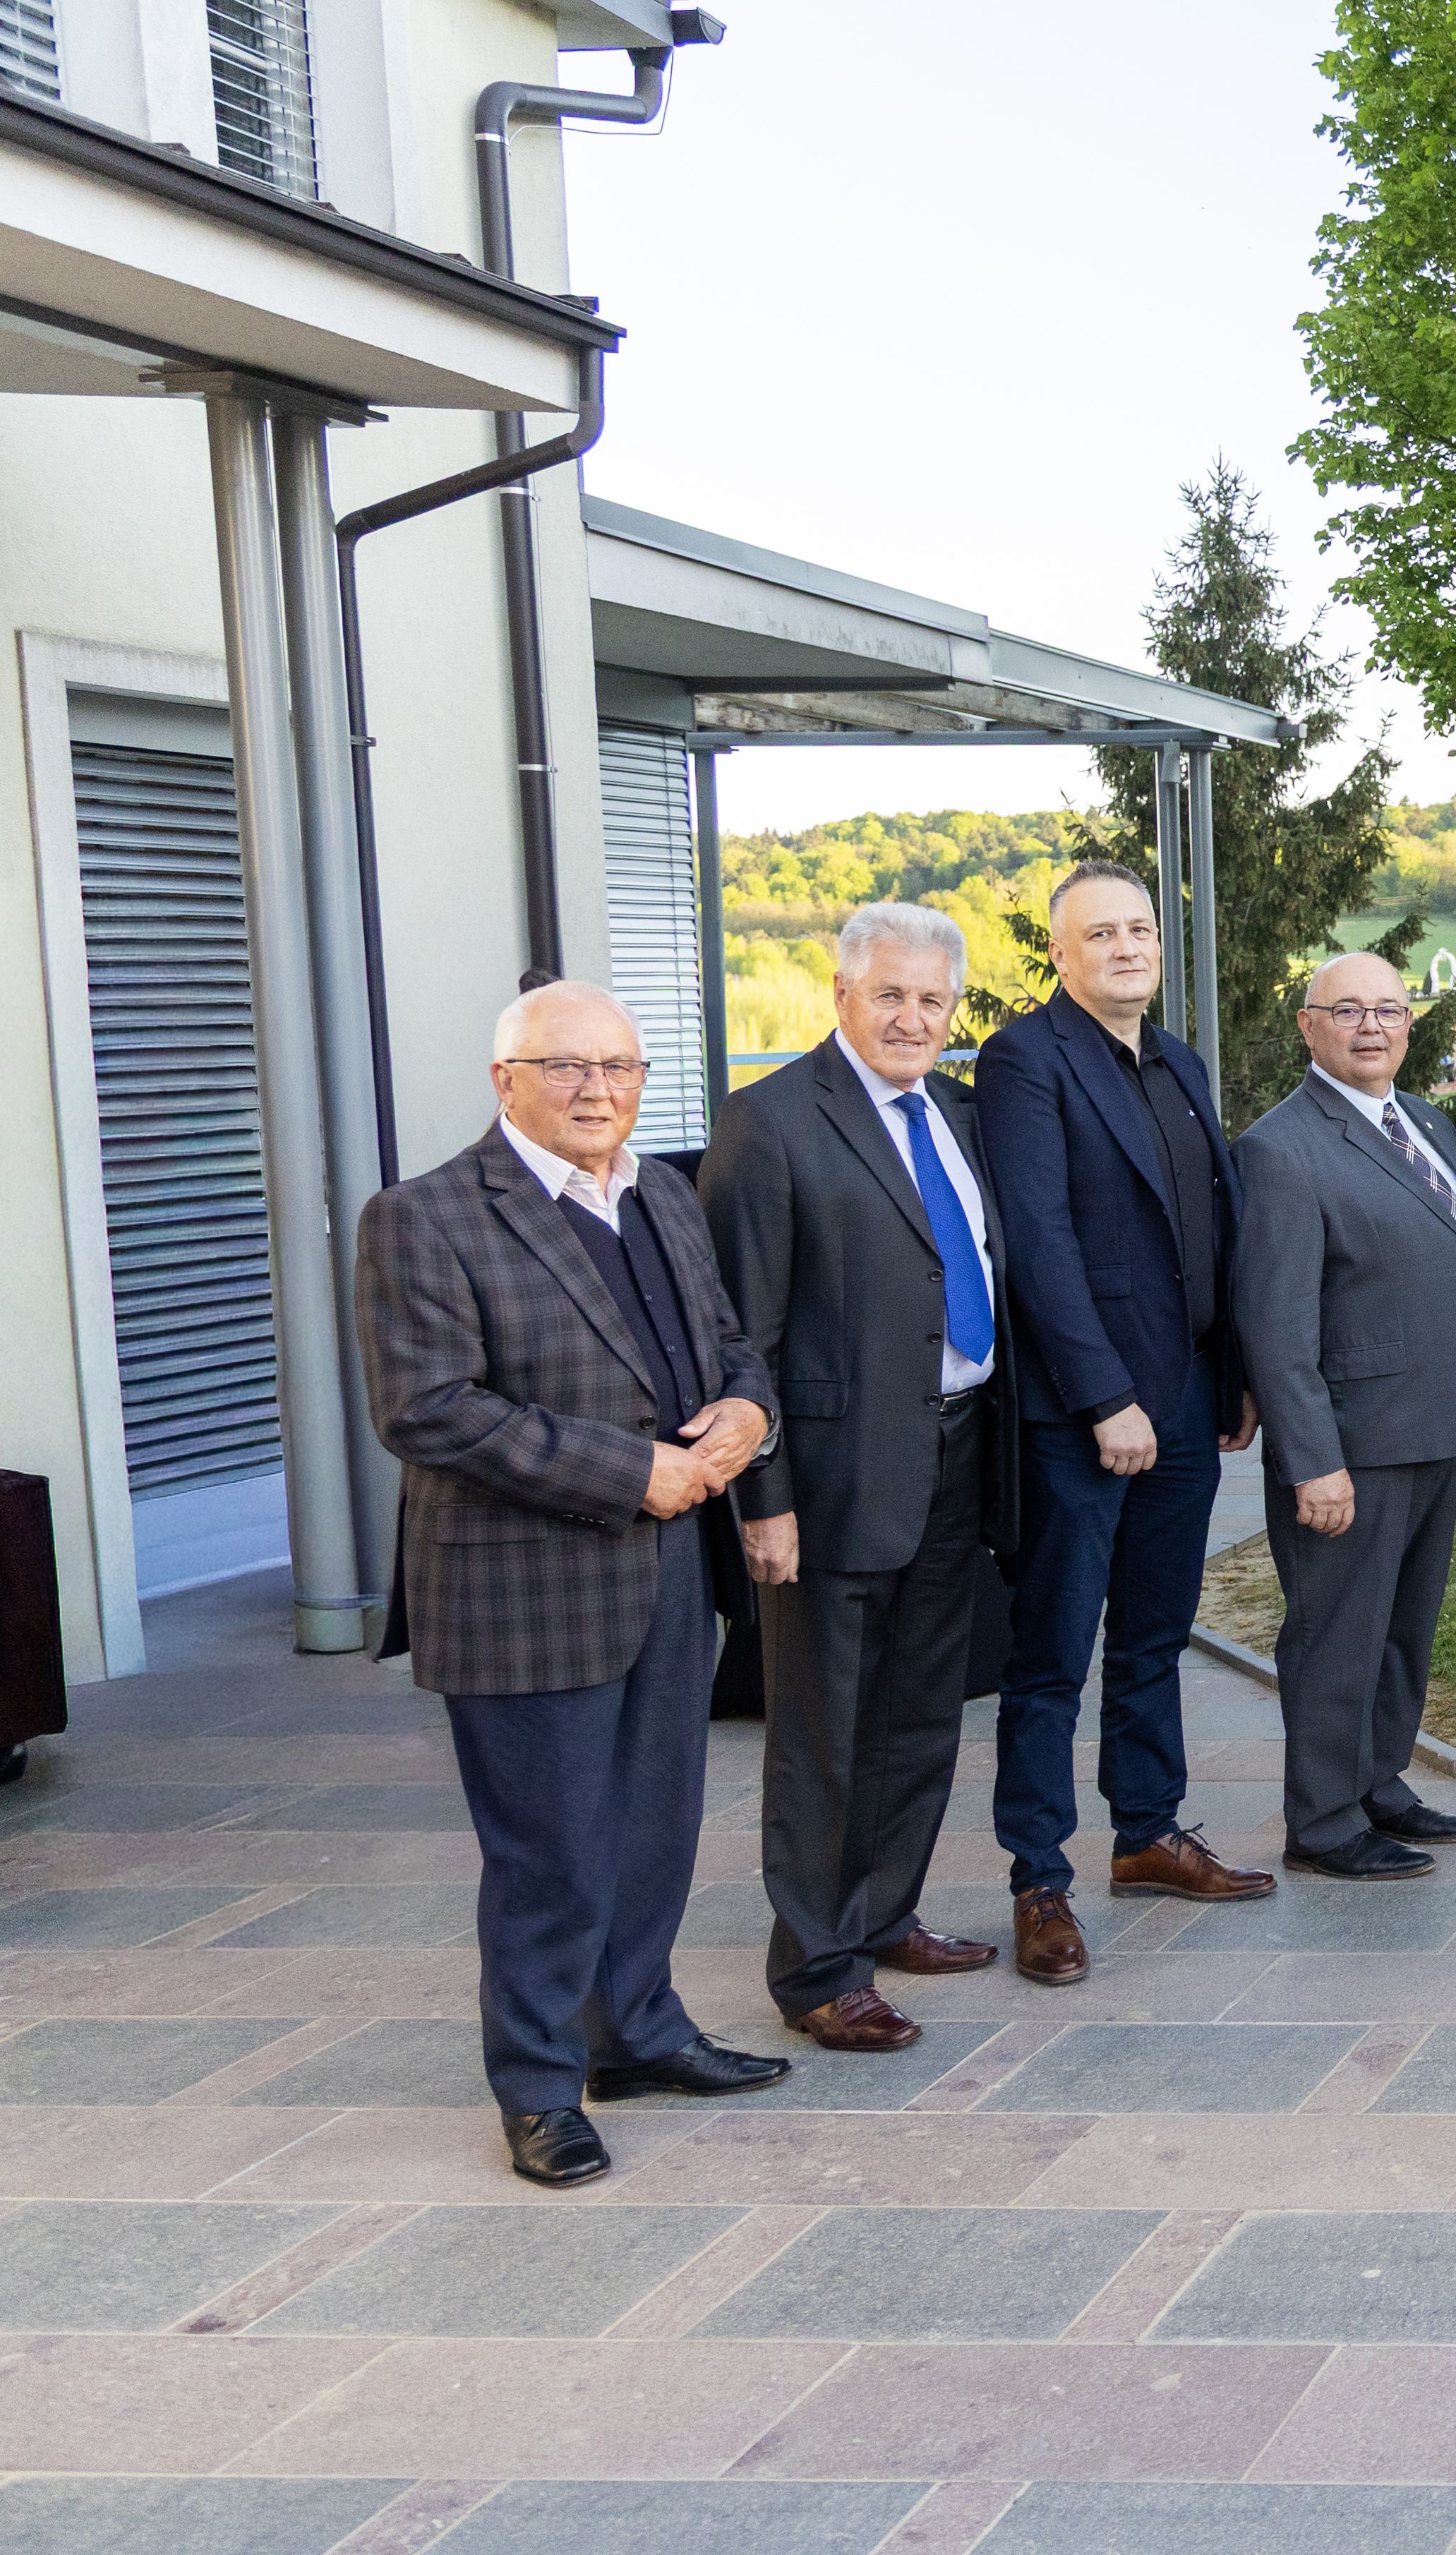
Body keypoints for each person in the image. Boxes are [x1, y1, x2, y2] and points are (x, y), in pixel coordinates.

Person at [354, 982, 788, 2186]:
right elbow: (426, 1409)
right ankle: (541, 2090)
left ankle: (637, 2034)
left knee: (655, 1828)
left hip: (666, 1570)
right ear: (507, 1081)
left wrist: (748, 1412)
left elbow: (726, 1341)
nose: (598, 1090)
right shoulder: (425, 1216)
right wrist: (632, 1471)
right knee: (549, 1855)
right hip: (523, 1589)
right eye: (567, 1067)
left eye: (620, 1067)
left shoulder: (662, 1194)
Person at [697, 903, 1012, 2055]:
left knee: (921, 1711)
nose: (912, 1018)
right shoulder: (770, 1121)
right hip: (830, 1477)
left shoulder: (957, 1115)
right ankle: (817, 1970)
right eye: (890, 995)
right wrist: (764, 1496)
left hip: (957, 1452)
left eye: (933, 999)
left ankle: (884, 1915)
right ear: (840, 996)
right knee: (823, 1732)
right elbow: (742, 1338)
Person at [973, 861, 1270, 1980]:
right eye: (1100, 933)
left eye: (1140, 928)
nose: (1126, 947)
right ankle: (1037, 1880)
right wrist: (1105, 1397)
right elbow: (1039, 1242)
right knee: (1053, 1654)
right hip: (1083, 1411)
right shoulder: (1025, 1060)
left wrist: (1232, 1375)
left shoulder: (1177, 1060)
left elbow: (1213, 1232)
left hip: (1187, 1397)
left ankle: (1146, 1833)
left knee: (1155, 1634)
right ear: (1061, 953)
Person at [1230, 955, 1456, 1880]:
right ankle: (1322, 1822)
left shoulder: (1426, 1122)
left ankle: (1379, 1782)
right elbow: (1276, 1327)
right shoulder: (1281, 1149)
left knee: (1402, 1627)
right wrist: (1312, 1460)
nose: (1371, 1027)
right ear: (1308, 1025)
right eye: (1348, 1010)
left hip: (1437, 1425)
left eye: (1389, 1010)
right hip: (1351, 1444)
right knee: (1337, 1635)